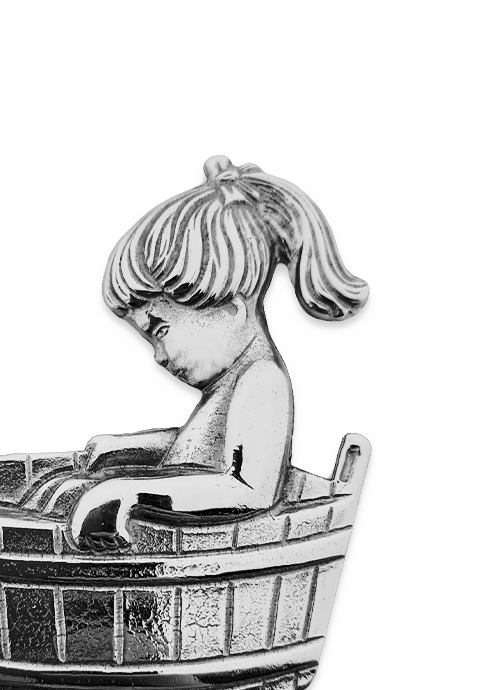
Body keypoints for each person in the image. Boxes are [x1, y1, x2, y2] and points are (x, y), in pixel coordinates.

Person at [25, 155, 369, 549]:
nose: (158, 356)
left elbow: (249, 490)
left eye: (160, 330)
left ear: (229, 311)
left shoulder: (261, 382)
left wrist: (129, 494)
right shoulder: (229, 387)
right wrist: (125, 448)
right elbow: (196, 450)